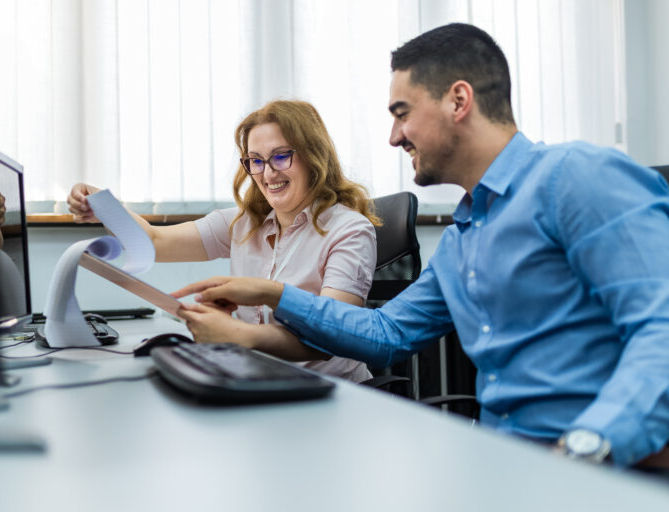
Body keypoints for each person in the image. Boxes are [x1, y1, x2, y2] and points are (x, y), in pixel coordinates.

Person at [172, 23, 669, 470]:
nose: (393, 137)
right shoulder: (462, 240)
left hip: (601, 467)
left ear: (458, 100)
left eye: (402, 113)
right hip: (509, 467)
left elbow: (660, 326)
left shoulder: (579, 177)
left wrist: (588, 449)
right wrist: (273, 294)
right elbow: (386, 333)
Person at [68, 99, 380, 382]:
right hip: (259, 380)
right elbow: (155, 241)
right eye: (255, 161)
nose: (267, 174)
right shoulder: (242, 223)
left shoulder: (350, 230)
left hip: (332, 393)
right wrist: (104, 208)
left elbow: (333, 337)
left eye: (281, 157)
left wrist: (238, 335)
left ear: (314, 156)